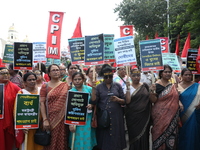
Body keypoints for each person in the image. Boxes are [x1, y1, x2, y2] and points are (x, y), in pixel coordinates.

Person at [92, 64, 126, 150]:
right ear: (103, 76)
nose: (108, 79)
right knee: (105, 139)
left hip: (116, 117)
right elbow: (94, 101)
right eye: (106, 77)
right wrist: (93, 89)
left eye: (110, 76)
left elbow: (125, 101)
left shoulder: (117, 86)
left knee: (116, 138)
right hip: (104, 117)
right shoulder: (99, 87)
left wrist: (117, 100)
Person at [40, 64, 69, 150]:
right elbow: (42, 103)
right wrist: (45, 119)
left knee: (62, 141)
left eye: (57, 70)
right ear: (49, 73)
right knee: (50, 142)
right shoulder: (45, 86)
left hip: (63, 120)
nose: (56, 72)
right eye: (53, 70)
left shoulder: (66, 85)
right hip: (49, 119)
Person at [151, 65, 180, 150]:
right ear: (161, 73)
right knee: (158, 135)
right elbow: (153, 101)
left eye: (169, 72)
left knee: (172, 139)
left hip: (172, 117)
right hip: (160, 117)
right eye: (165, 72)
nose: (168, 74)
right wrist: (152, 91)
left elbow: (176, 98)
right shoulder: (156, 85)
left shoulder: (172, 86)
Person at [125, 69, 154, 150]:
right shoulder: (128, 86)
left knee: (144, 136)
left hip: (144, 116)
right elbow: (127, 101)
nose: (136, 77)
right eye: (134, 76)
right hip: (132, 118)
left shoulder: (145, 86)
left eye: (138, 75)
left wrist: (152, 90)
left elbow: (151, 100)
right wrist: (127, 88)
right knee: (134, 137)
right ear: (130, 76)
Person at [69, 72, 97, 150]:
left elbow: (95, 101)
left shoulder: (89, 89)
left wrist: (91, 105)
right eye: (75, 79)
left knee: (87, 138)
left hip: (87, 119)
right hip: (75, 120)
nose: (77, 81)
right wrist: (70, 124)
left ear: (83, 80)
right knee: (76, 140)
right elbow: (68, 108)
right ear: (72, 80)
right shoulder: (70, 92)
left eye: (79, 79)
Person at [17, 72, 43, 150]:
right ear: (25, 82)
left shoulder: (41, 91)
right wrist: (21, 126)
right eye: (29, 80)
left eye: (34, 79)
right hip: (27, 127)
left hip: (40, 125)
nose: (32, 81)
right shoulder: (21, 93)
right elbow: (17, 111)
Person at [178, 68, 200, 150]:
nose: (188, 76)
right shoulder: (177, 86)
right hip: (182, 114)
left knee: (193, 134)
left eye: (190, 75)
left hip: (195, 114)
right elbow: (174, 99)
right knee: (183, 134)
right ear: (181, 76)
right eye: (186, 75)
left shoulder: (197, 86)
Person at [0, 67, 21, 150]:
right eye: (2, 73)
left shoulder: (14, 87)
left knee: (9, 142)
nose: (5, 75)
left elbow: (23, 97)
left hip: (10, 120)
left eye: (7, 73)